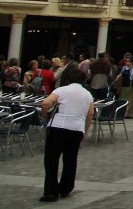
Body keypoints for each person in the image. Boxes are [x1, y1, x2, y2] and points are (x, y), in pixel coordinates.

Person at [39, 67, 94, 202]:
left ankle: (50, 192)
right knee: (70, 160)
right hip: (76, 129)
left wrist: (46, 118)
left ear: (68, 79)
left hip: (58, 126)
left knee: (51, 161)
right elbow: (90, 114)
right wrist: (84, 131)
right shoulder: (87, 95)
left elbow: (45, 103)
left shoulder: (61, 90)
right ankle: (66, 188)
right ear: (84, 80)